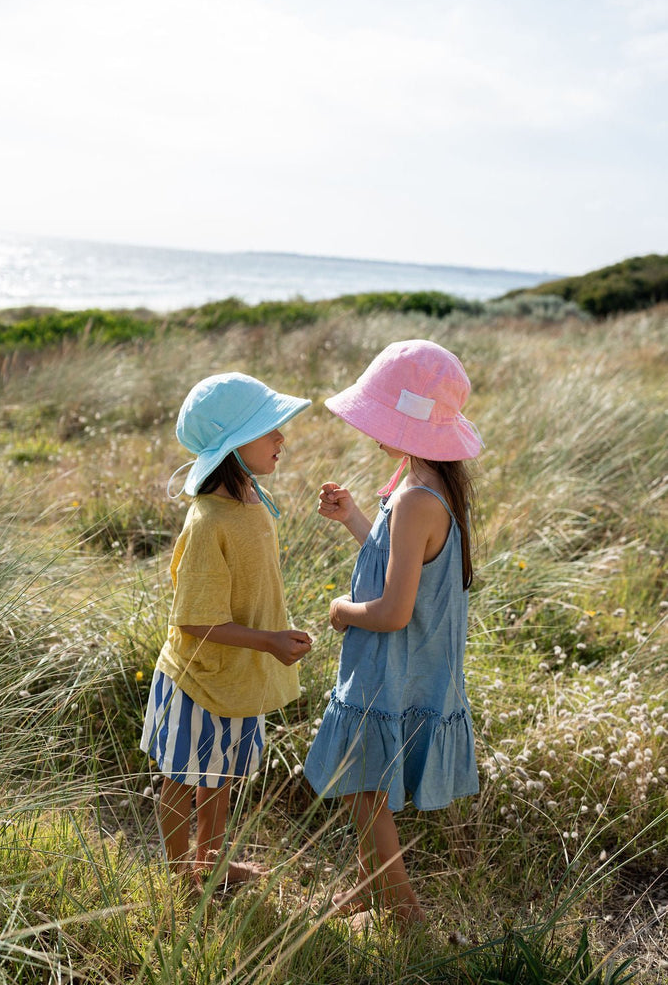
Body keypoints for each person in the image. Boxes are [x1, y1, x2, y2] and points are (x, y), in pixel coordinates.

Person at [304, 339, 483, 927]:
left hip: (391, 665)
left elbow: (393, 611)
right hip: (410, 667)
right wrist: (356, 518)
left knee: (363, 790)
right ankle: (364, 887)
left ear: (405, 423)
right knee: (364, 781)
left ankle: (403, 909)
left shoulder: (413, 500)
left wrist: (342, 610)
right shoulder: (428, 489)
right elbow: (399, 567)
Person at [140, 372, 312, 891]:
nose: (282, 438)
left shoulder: (252, 502)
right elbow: (194, 618)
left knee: (223, 776)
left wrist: (273, 635)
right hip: (199, 679)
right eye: (269, 430)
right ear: (234, 447)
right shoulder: (208, 521)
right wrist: (270, 641)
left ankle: (210, 865)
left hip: (239, 674)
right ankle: (179, 877)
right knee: (182, 777)